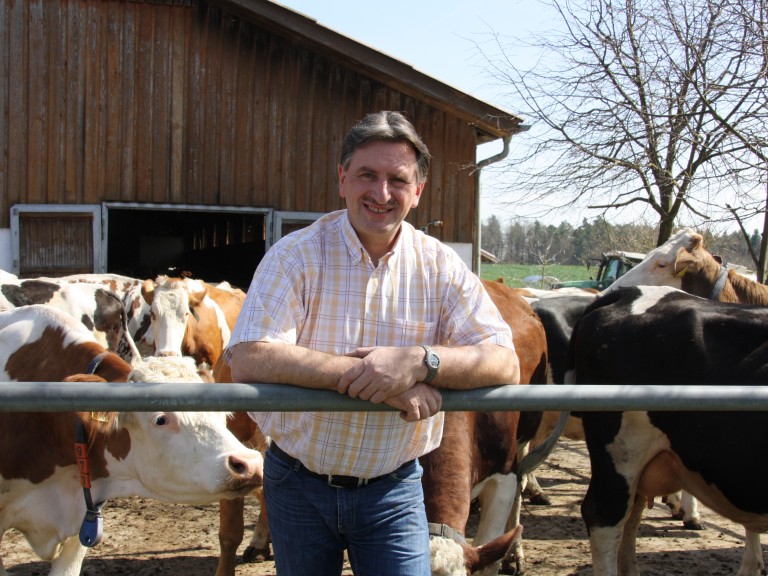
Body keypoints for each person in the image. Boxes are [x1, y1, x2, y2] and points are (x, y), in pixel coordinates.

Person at [226, 110, 520, 576]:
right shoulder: (295, 255)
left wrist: (421, 361)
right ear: (342, 179)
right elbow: (248, 355)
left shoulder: (439, 266)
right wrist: (379, 381)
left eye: (397, 180)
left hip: (394, 486)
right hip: (298, 480)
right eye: (367, 175)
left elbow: (504, 361)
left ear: (417, 192)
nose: (381, 193)